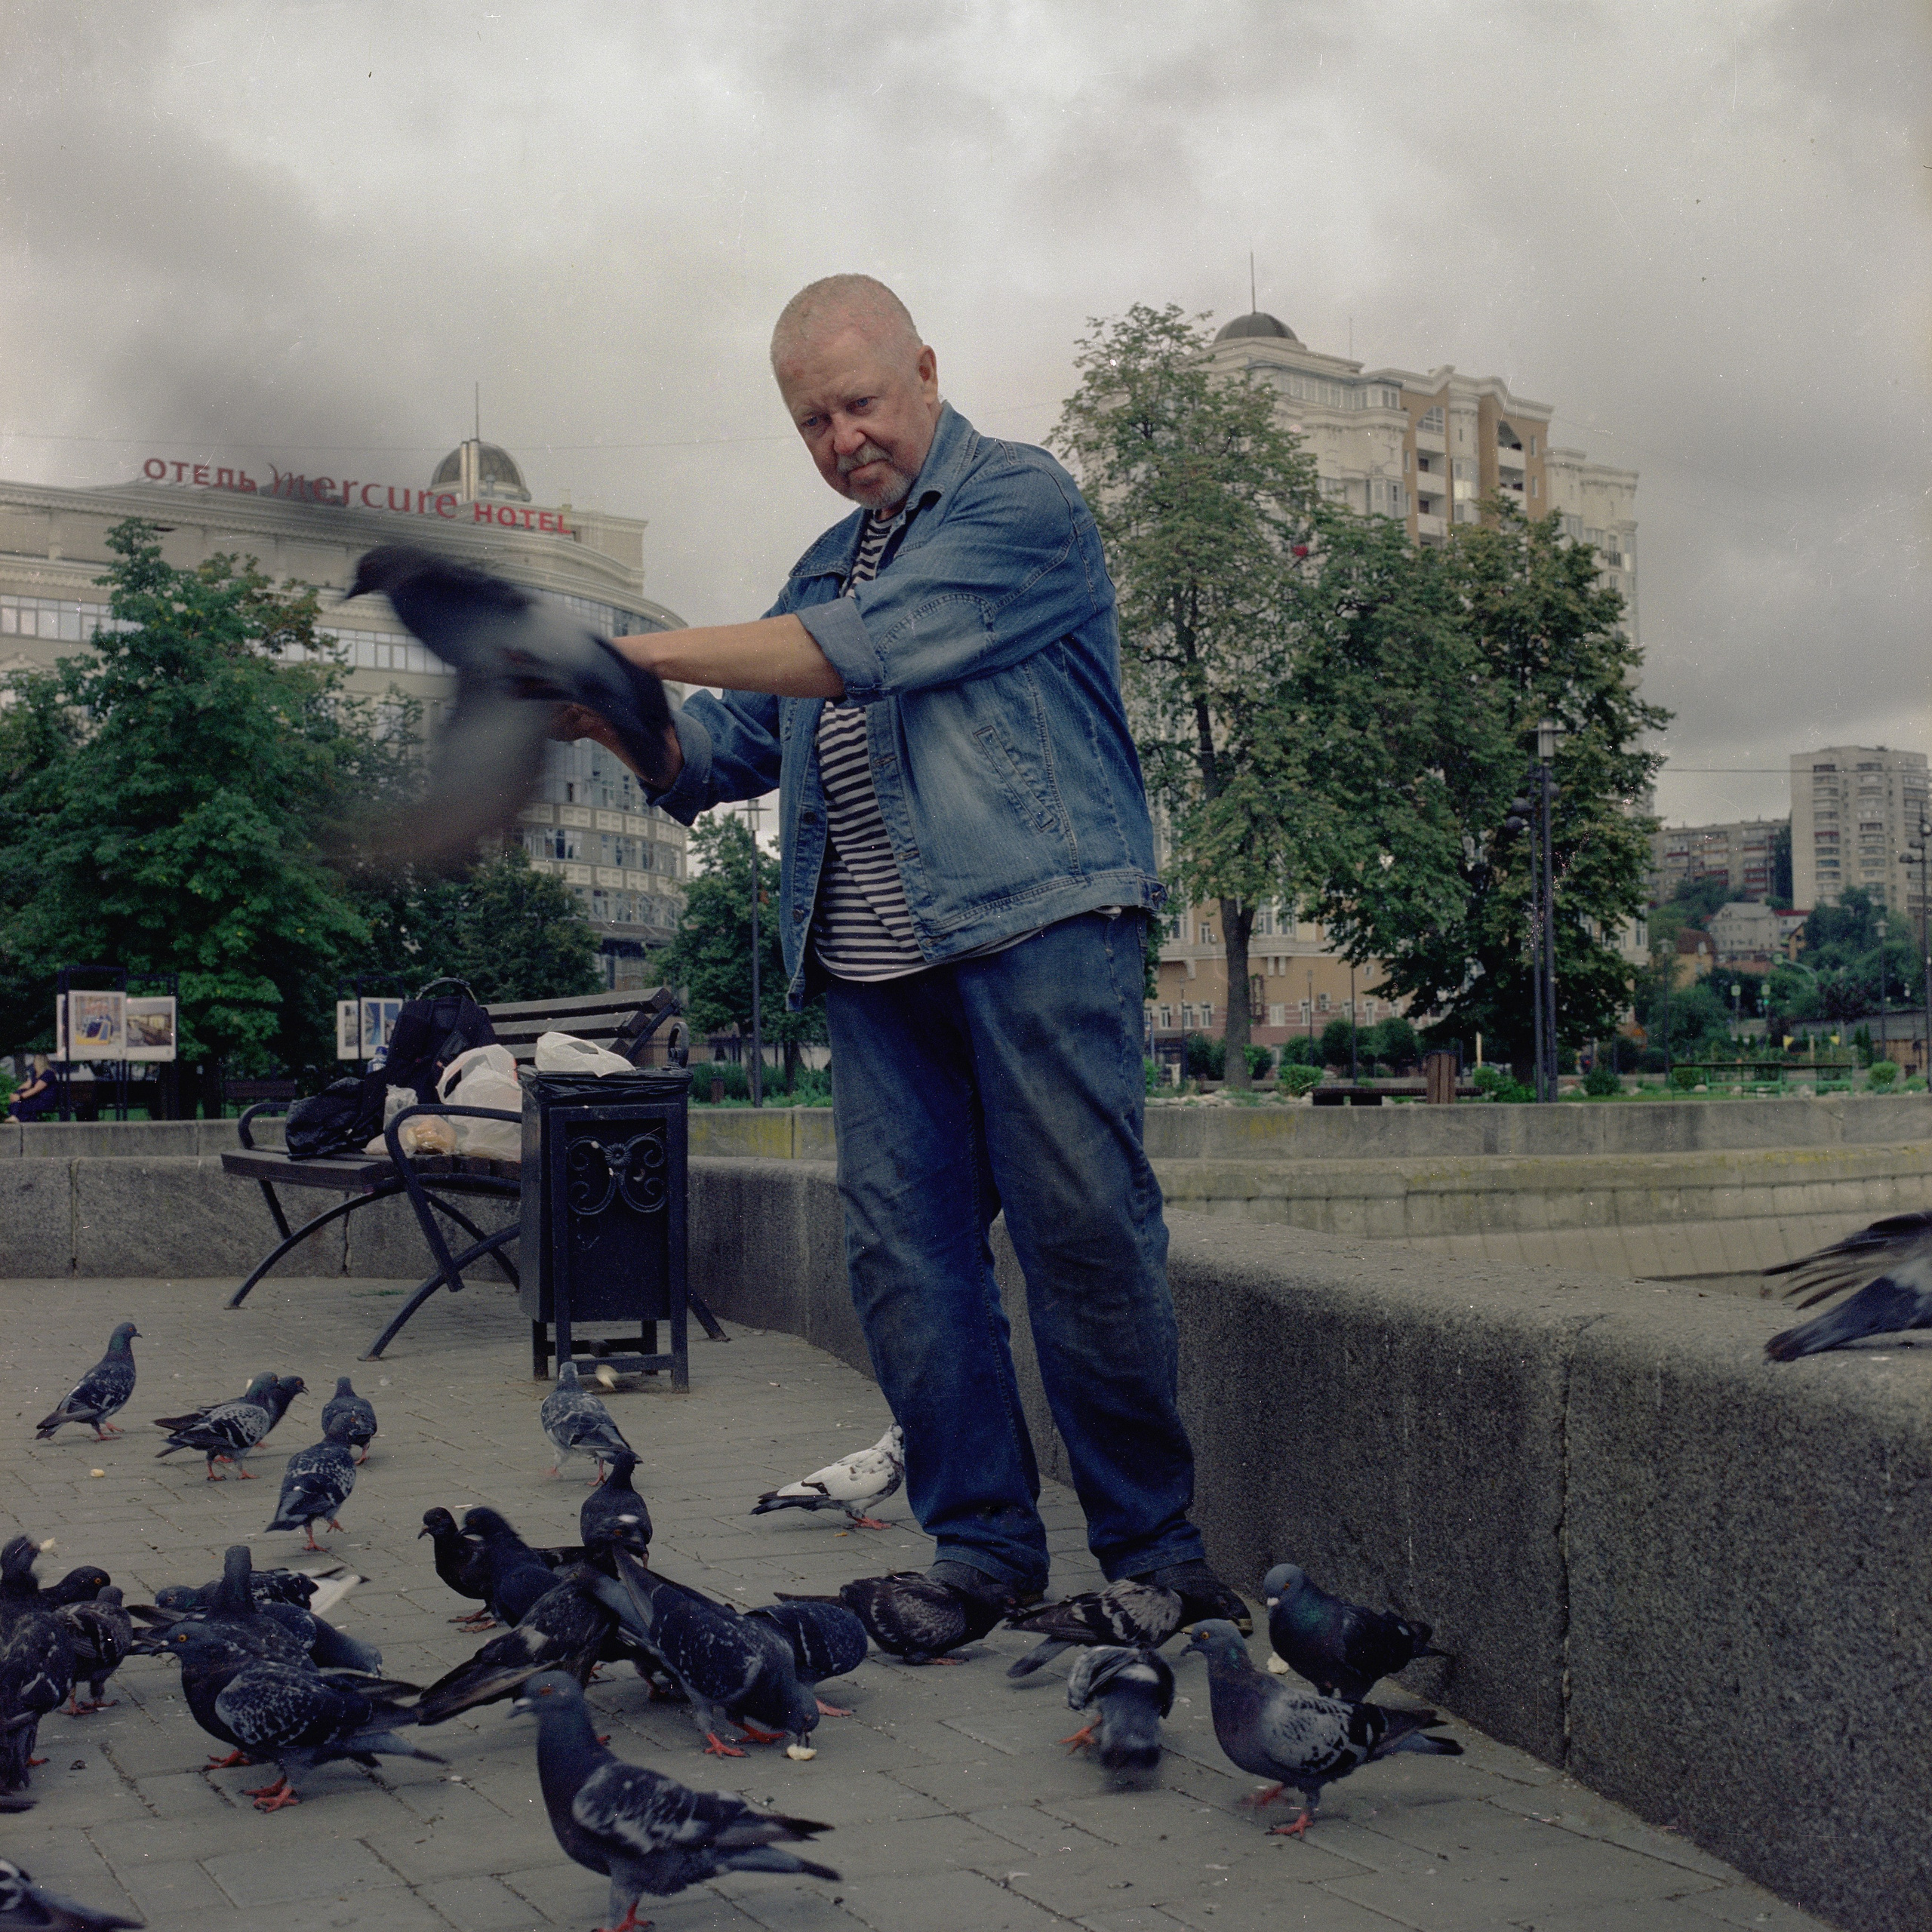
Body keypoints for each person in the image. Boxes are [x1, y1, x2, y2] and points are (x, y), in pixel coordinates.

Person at [574, 274, 1246, 1630]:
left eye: (860, 404)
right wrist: (606, 713)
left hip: (1037, 927)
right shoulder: (824, 564)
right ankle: (985, 1555)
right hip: (877, 974)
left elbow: (865, 653)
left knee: (1082, 1241)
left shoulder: (1022, 506)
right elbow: (722, 753)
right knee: (904, 1263)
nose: (841, 442)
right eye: (812, 422)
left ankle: (1159, 1561)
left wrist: (624, 648)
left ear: (926, 372)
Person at [8, 1054, 56, 1122]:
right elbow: (26, 1085)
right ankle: (15, 1117)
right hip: (36, 1099)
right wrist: (15, 1094)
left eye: (35, 1061)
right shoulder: (35, 1074)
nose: (34, 1063)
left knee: (22, 1103)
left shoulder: (48, 1074)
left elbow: (36, 1089)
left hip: (45, 1101)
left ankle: (16, 1117)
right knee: (19, 1096)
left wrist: (20, 1096)